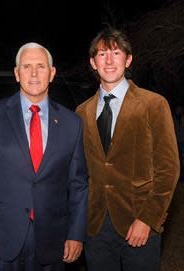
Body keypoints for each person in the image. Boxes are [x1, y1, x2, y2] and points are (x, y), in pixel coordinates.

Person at [0, 42, 89, 271]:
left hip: (52, 240)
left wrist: (76, 234)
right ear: (16, 73)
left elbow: (79, 185)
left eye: (41, 66)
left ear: (52, 74)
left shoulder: (72, 124)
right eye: (27, 66)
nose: (33, 73)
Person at [76, 28, 180, 271]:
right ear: (93, 62)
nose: (109, 61)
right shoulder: (82, 112)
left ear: (129, 59)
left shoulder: (153, 104)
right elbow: (80, 172)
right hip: (96, 227)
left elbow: (168, 169)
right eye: (102, 55)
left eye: (116, 52)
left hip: (139, 221)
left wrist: (148, 219)